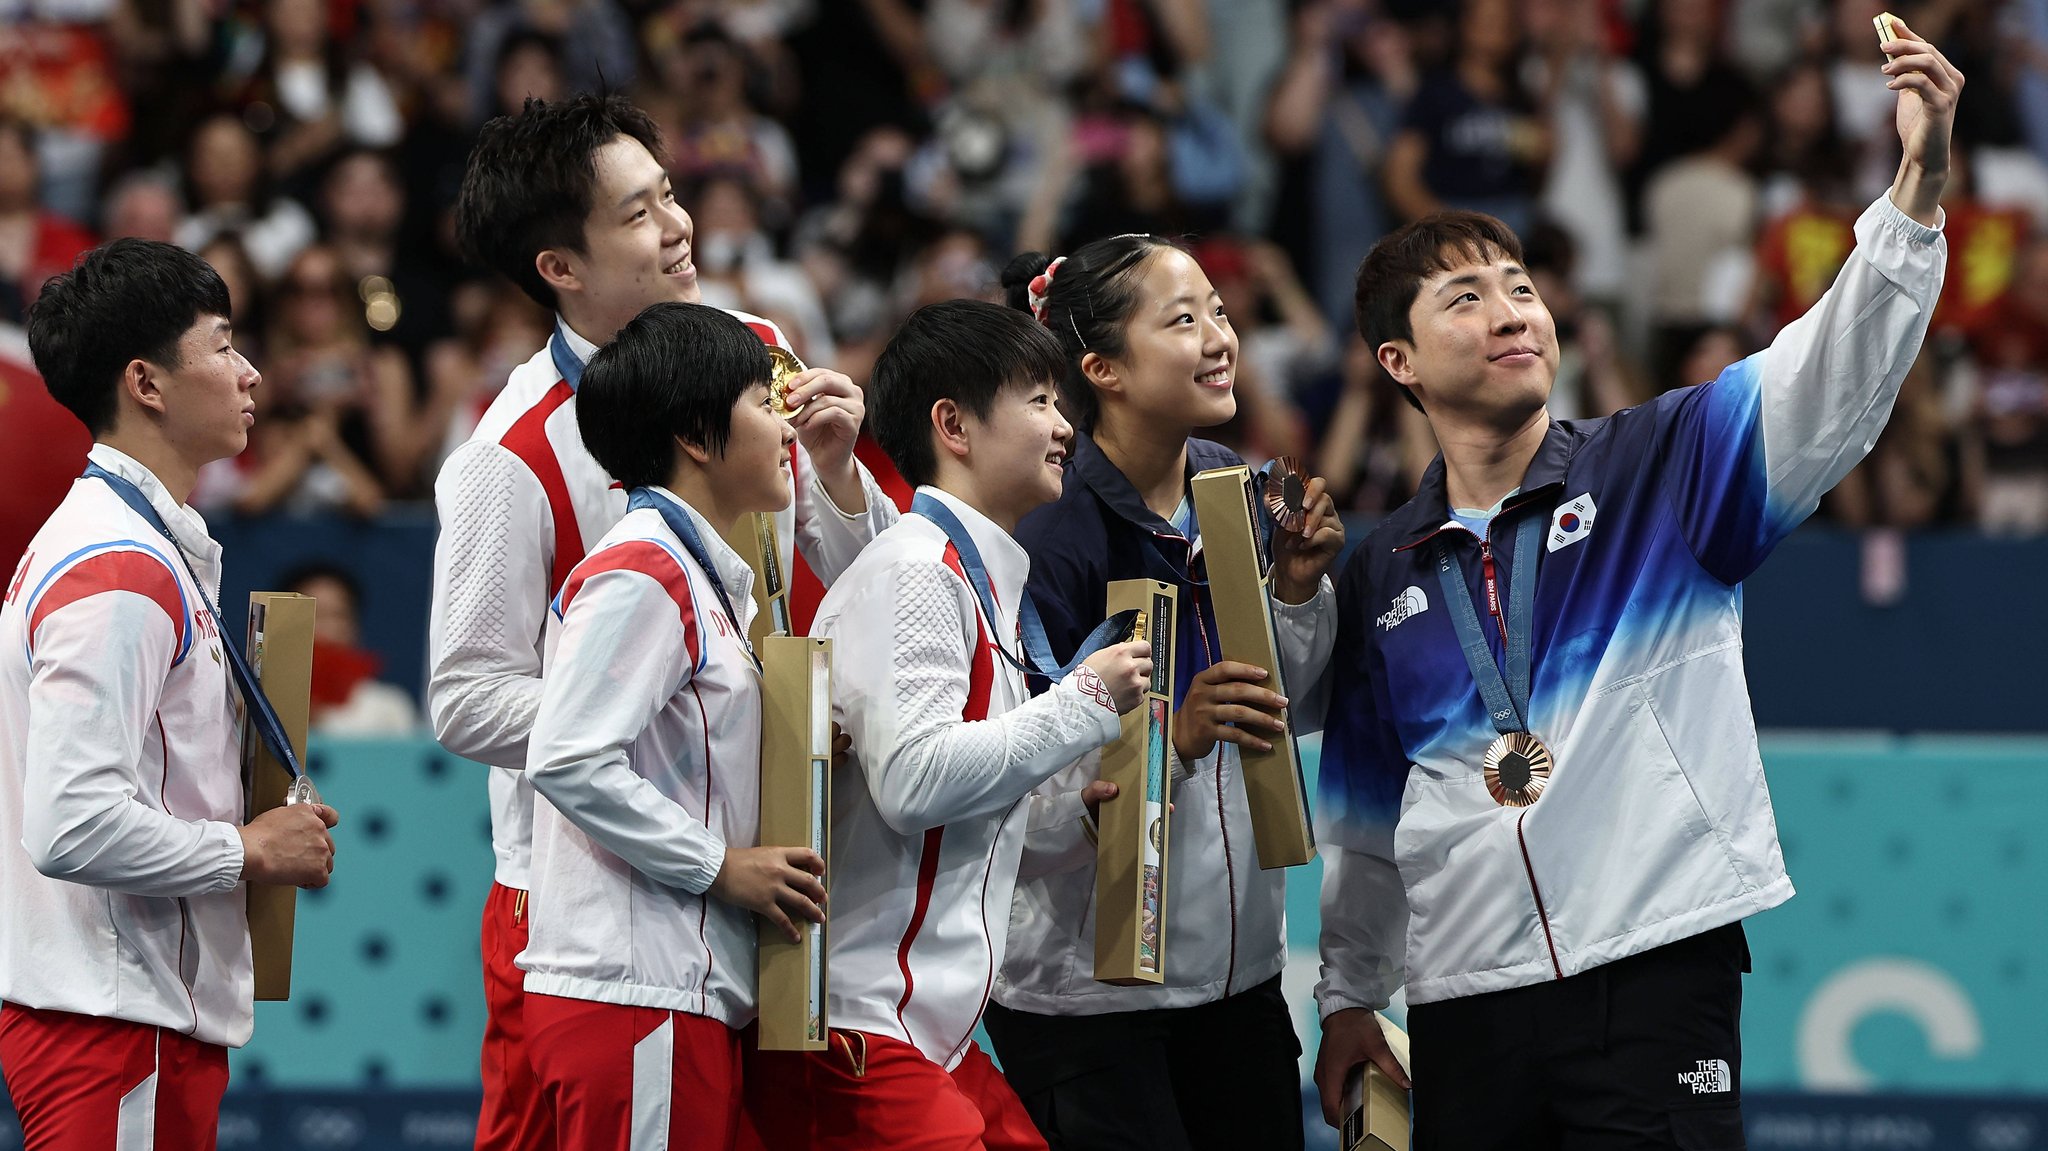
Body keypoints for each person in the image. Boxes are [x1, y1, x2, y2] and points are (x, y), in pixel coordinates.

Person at [1311, 19, 1960, 1149]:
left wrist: (1913, 191)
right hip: (1464, 997)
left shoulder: (1659, 461)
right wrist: (1347, 996)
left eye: (1519, 287)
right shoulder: (1381, 568)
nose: (1510, 310)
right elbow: (1365, 819)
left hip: (1655, 968)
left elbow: (1828, 372)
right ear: (1396, 363)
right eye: (1463, 298)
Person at [430, 92, 895, 1151]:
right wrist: (677, 708)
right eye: (640, 213)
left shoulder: (759, 349)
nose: (679, 223)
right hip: (592, 894)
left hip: (770, 866)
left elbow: (841, 574)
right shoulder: (511, 453)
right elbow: (465, 699)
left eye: (671, 193)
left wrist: (838, 478)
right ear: (562, 266)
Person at [748, 299, 1152, 1150]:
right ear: (953, 424)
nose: (1064, 428)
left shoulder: (975, 578)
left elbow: (960, 826)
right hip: (860, 1033)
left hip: (935, 1037)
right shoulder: (918, 574)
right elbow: (913, 784)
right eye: (1039, 401)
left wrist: (1074, 827)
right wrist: (1081, 700)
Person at [981, 234, 1343, 1151]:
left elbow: (1278, 701)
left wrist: (1296, 590)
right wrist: (1170, 739)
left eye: (1219, 311)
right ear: (1100, 367)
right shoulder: (1044, 532)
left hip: (1241, 977)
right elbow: (1021, 803)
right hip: (1087, 1002)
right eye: (1183, 320)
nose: (1221, 336)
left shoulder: (1240, 489)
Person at [0, 238, 340, 1147]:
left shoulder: (133, 543)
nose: (251, 372)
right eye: (224, 346)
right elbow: (69, 822)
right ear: (147, 383)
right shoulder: (118, 567)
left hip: (125, 1013)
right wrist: (246, 850)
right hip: (114, 1020)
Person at [522, 302, 828, 1150]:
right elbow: (567, 756)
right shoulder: (645, 569)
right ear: (698, 434)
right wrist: (720, 866)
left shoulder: (690, 570)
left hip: (666, 991)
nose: (786, 427)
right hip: (636, 994)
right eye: (766, 404)